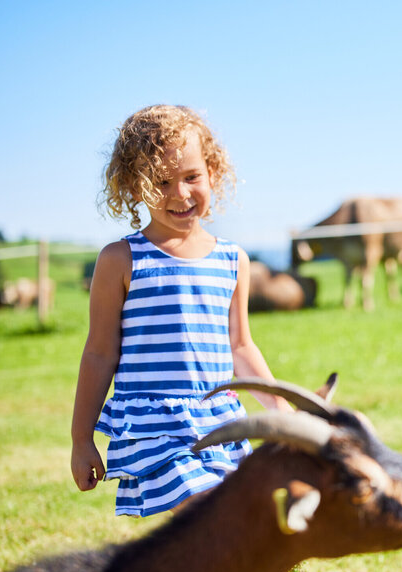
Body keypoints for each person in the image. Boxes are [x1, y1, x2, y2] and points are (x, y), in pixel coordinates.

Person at [70, 104, 290, 517]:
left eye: (192, 176)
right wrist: (82, 438)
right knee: (211, 516)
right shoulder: (121, 259)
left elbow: (241, 347)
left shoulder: (233, 260)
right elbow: (99, 353)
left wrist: (281, 409)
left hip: (219, 420)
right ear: (134, 187)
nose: (180, 193)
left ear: (213, 172)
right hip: (155, 428)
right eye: (161, 182)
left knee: (240, 522)